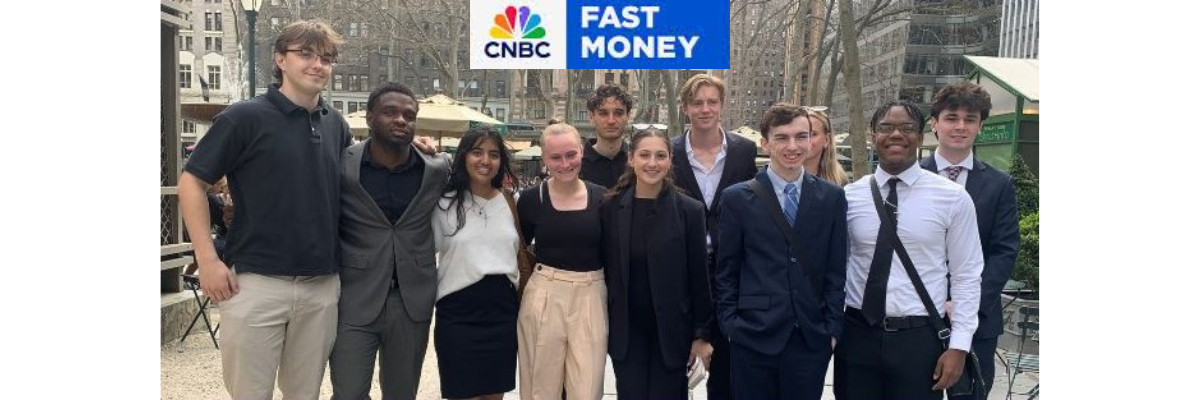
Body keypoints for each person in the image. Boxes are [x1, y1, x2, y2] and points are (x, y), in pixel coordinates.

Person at [178, 20, 350, 400]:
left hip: (321, 286)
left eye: (326, 58)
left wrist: (416, 149)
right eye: (306, 53)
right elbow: (191, 182)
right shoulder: (244, 117)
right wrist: (207, 259)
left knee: (304, 395)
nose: (317, 64)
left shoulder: (337, 126)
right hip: (255, 284)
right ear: (280, 59)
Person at [833, 101, 984, 400]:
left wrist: (959, 345)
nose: (896, 134)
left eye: (907, 128)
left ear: (921, 135)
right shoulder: (849, 197)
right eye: (886, 127)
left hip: (919, 340)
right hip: (857, 335)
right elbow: (836, 267)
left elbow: (967, 275)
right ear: (873, 136)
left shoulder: (953, 198)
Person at [714, 103, 848, 399]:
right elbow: (727, 270)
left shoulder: (832, 198)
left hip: (810, 337)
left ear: (812, 140)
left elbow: (836, 269)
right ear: (766, 143)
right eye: (782, 138)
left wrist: (832, 329)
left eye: (801, 136)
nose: (793, 146)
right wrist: (731, 325)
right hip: (752, 333)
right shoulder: (737, 198)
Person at [329, 82, 452, 400]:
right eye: (390, 112)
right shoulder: (342, 166)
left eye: (409, 115)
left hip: (412, 300)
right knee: (348, 394)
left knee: (402, 394)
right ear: (370, 118)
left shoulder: (436, 168)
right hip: (355, 296)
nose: (401, 120)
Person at [920, 82, 1020, 398]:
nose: (960, 126)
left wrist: (967, 304)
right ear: (934, 123)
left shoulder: (999, 185)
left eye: (970, 119)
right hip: (918, 319)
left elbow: (1004, 251)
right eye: (951, 118)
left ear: (980, 126)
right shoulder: (910, 178)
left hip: (978, 321)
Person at [600, 126, 713, 399]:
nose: (652, 163)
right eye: (645, 155)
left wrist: (702, 335)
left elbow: (699, 277)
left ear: (670, 160)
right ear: (631, 158)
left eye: (660, 156)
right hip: (628, 334)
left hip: (673, 334)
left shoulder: (690, 211)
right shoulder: (610, 208)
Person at [669, 73, 758, 400]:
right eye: (697, 103)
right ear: (686, 108)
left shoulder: (744, 151)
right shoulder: (670, 152)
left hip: (730, 271)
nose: (705, 109)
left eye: (712, 102)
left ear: (721, 106)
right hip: (683, 269)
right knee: (676, 372)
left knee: (727, 375)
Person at [516, 123, 608, 400]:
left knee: (587, 388)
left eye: (571, 154)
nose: (565, 164)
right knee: (540, 388)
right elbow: (519, 247)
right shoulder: (531, 200)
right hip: (545, 290)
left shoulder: (603, 198)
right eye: (555, 157)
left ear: (582, 152)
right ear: (544, 158)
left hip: (591, 293)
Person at [431, 126, 521, 400]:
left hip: (502, 314)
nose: (485, 160)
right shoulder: (443, 204)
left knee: (495, 395)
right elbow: (422, 253)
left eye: (493, 154)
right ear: (463, 156)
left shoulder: (510, 201)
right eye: (477, 152)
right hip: (458, 314)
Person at [580, 84, 634, 188]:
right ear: (591, 117)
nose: (611, 121)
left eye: (618, 113)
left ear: (628, 116)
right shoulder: (577, 163)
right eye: (603, 113)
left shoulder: (637, 162)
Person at [800, 107, 850, 186]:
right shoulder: (781, 178)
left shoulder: (840, 181)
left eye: (813, 134)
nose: (807, 139)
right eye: (802, 134)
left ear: (826, 140)